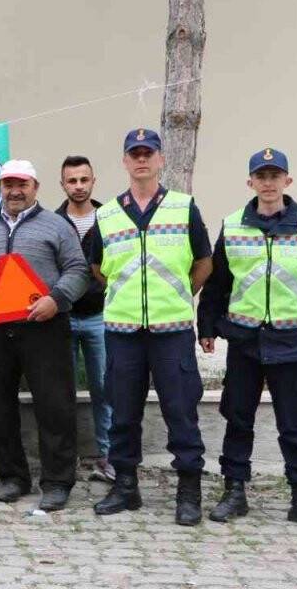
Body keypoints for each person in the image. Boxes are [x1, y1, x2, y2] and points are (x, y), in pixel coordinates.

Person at [198, 148, 297, 531]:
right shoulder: (232, 226)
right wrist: (208, 327)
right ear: (250, 182)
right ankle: (234, 492)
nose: (268, 183)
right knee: (237, 418)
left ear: (287, 181)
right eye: (260, 176)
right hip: (246, 342)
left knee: (294, 423)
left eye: (274, 175)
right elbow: (217, 285)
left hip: (294, 341)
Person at [89, 128, 213, 526]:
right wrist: (127, 296)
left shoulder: (183, 207)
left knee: (181, 411)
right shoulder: (106, 215)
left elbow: (204, 262)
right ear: (125, 161)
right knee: (123, 411)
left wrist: (178, 294)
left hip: (171, 330)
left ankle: (188, 492)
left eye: (149, 153)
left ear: (161, 160)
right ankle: (126, 488)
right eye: (134, 153)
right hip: (124, 331)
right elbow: (97, 268)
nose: (141, 159)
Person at [0, 160, 89, 511]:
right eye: (8, 184)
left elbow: (78, 269)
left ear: (36, 186)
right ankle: (13, 476)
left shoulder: (57, 225)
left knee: (54, 405)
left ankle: (58, 481)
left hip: (44, 326)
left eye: (22, 184)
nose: (15, 191)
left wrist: (56, 298)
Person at [55, 155, 114, 483]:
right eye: (71, 181)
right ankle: (65, 461)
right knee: (61, 391)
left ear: (93, 181)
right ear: (62, 185)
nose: (78, 186)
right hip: (61, 317)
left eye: (84, 180)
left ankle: (109, 456)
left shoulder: (111, 218)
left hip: (100, 316)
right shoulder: (53, 221)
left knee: (105, 387)